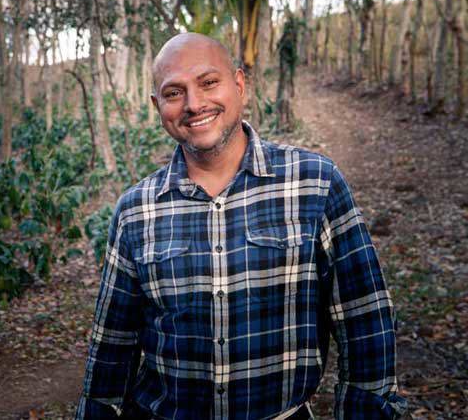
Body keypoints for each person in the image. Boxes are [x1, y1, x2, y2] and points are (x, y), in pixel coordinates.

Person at [75, 33, 406, 420]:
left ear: (239, 84)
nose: (194, 104)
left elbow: (364, 319)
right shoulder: (136, 210)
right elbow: (113, 347)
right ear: (157, 105)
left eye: (208, 82)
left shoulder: (314, 183)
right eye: (174, 92)